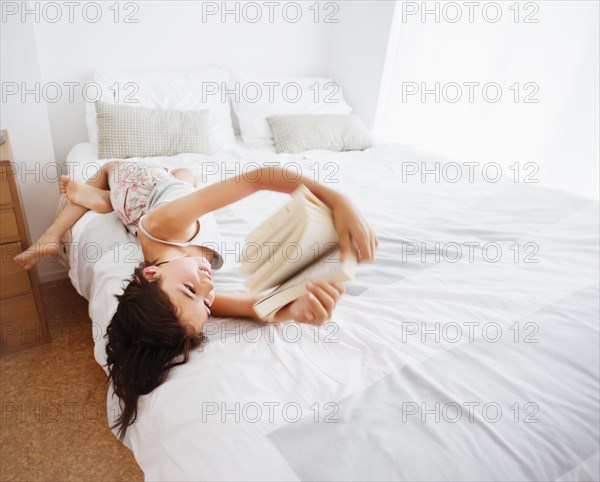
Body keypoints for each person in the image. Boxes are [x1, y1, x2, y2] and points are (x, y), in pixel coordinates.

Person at [15, 160, 378, 440]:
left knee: (120, 171)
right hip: (153, 207)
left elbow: (259, 177)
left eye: (192, 290)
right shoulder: (185, 307)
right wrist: (295, 309)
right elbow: (254, 307)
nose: (208, 288)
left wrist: (337, 198)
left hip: (145, 189)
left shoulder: (169, 225)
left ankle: (76, 217)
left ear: (151, 273)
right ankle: (108, 202)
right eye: (207, 304)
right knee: (185, 176)